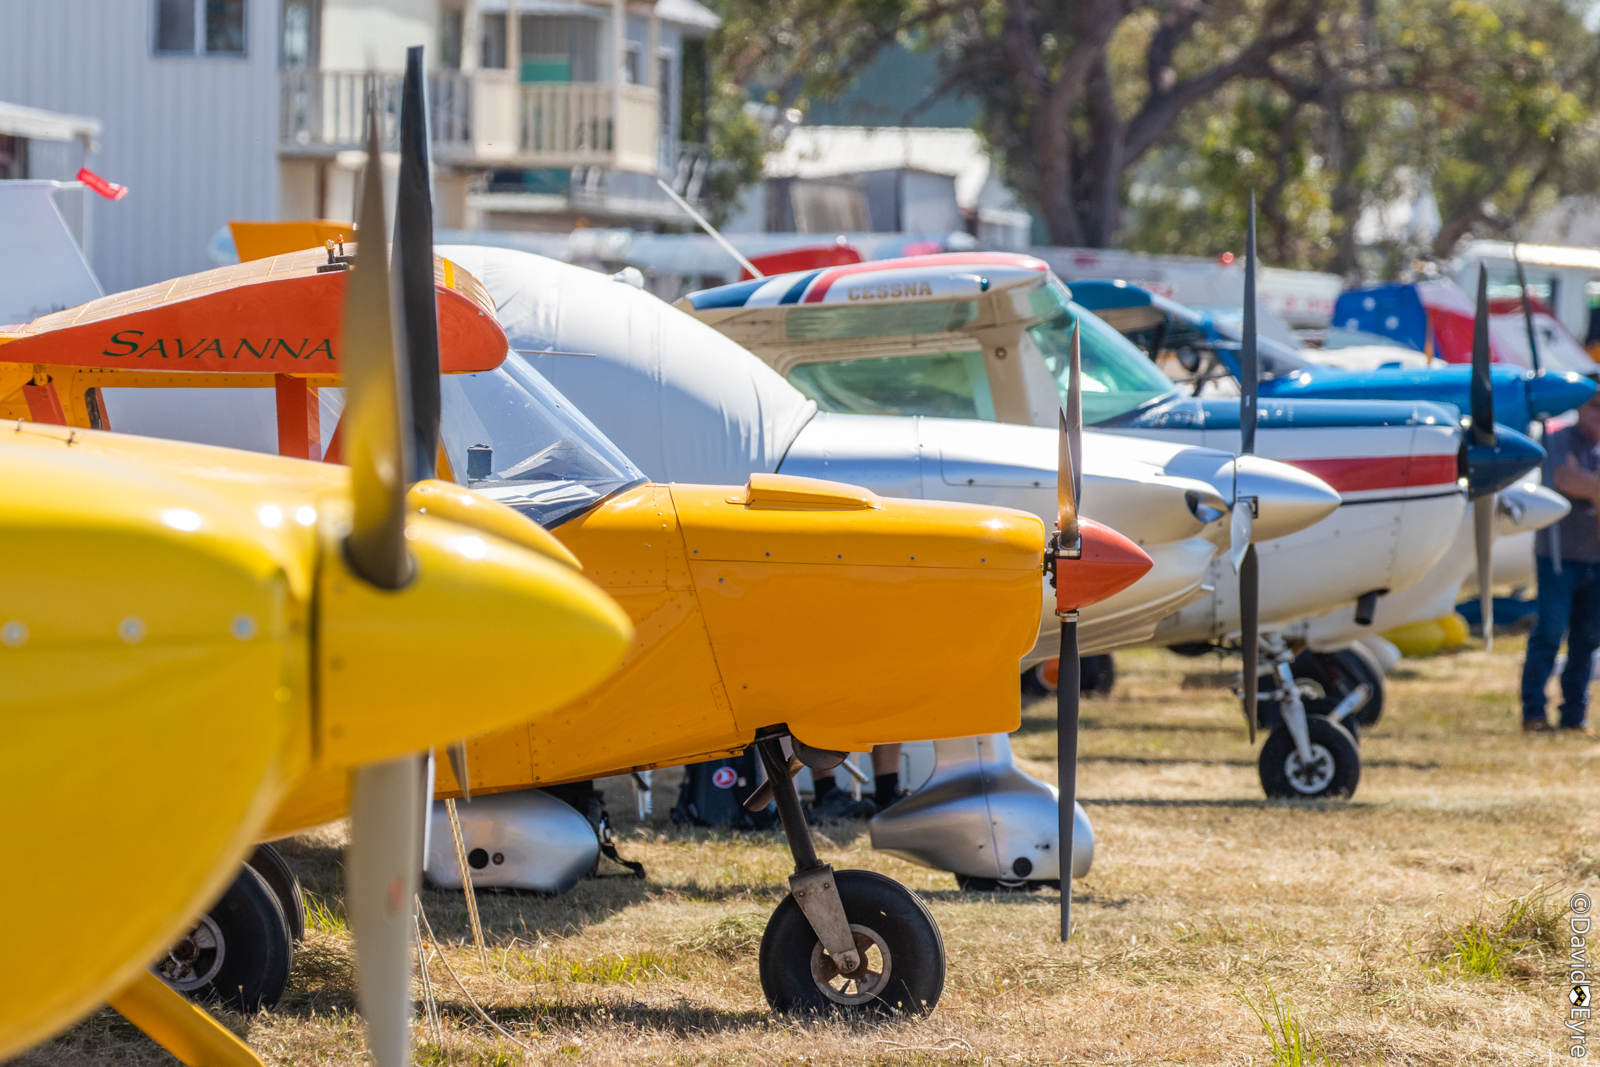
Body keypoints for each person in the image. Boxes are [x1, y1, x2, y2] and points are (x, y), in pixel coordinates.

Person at [1522, 390, 1600, 735]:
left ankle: (1574, 716)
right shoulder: (1555, 438)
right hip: (1558, 558)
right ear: (1580, 408)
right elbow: (1562, 479)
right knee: (1550, 633)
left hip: (1596, 560)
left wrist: (1589, 485)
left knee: (1588, 638)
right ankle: (1534, 712)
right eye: (1595, 405)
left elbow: (1578, 482)